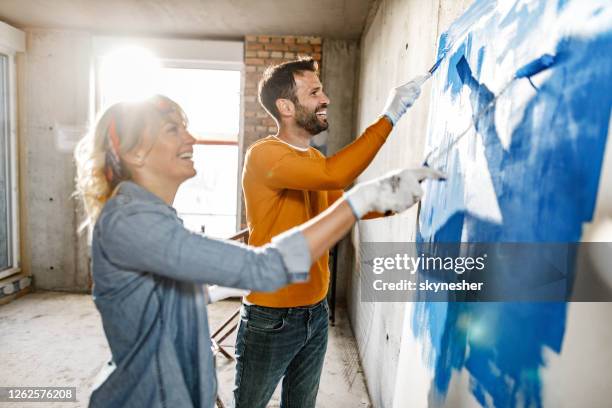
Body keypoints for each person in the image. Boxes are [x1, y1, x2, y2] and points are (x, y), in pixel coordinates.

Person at [73, 94, 442, 408]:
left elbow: (168, 291)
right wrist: (360, 200)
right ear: (134, 152)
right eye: (173, 129)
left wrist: (378, 202)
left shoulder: (148, 217)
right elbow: (265, 269)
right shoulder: (132, 221)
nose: (192, 138)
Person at [235, 58, 432, 408]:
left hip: (315, 311)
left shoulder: (311, 159)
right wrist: (390, 116)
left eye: (322, 89)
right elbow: (335, 176)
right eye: (314, 92)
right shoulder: (264, 155)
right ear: (286, 107)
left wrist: (399, 199)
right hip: (271, 317)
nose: (325, 98)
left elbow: (340, 205)